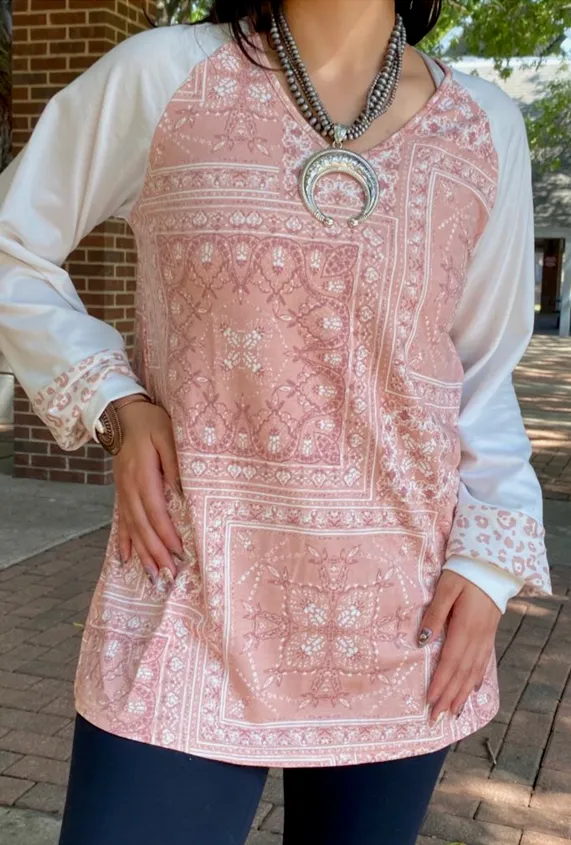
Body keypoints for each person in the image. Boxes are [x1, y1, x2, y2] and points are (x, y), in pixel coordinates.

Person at [0, 1, 551, 843]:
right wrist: (114, 397)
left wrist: (489, 561)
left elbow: (479, 367)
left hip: (401, 620)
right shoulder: (163, 77)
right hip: (189, 594)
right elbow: (13, 244)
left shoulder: (485, 127)